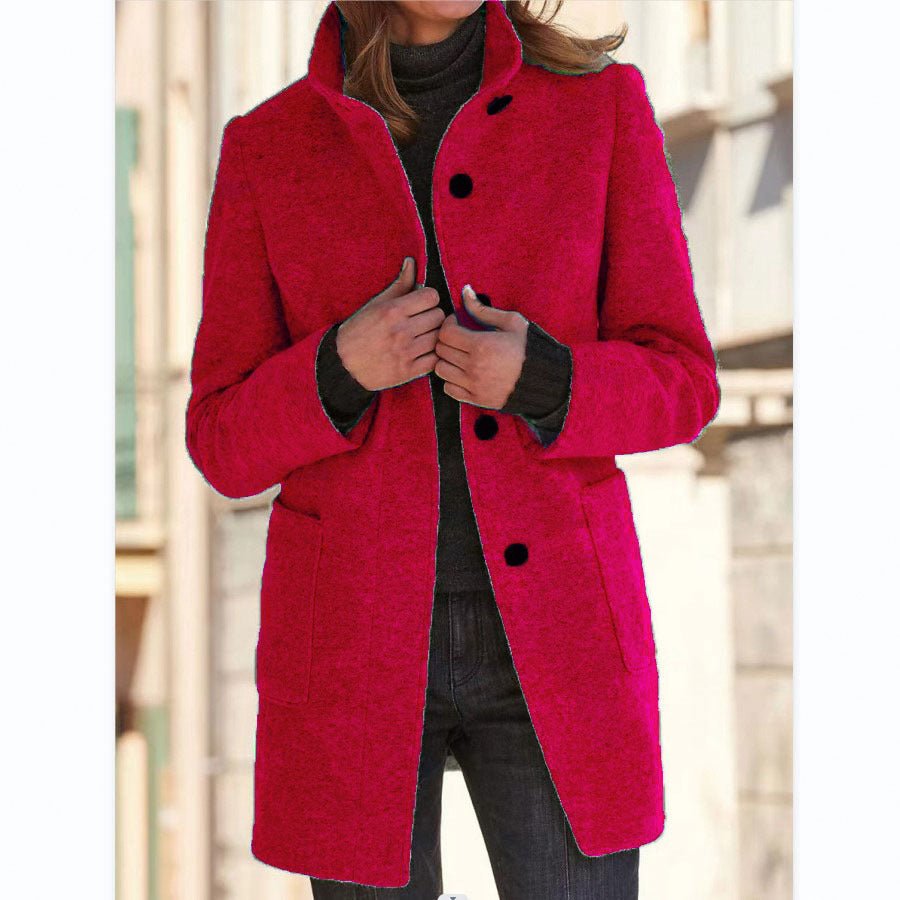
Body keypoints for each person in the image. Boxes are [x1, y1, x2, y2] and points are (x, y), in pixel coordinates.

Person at [186, 2, 721, 898]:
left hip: (559, 635)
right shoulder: (269, 147)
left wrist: (547, 379)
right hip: (351, 649)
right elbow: (220, 440)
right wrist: (337, 369)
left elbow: (685, 383)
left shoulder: (599, 109)